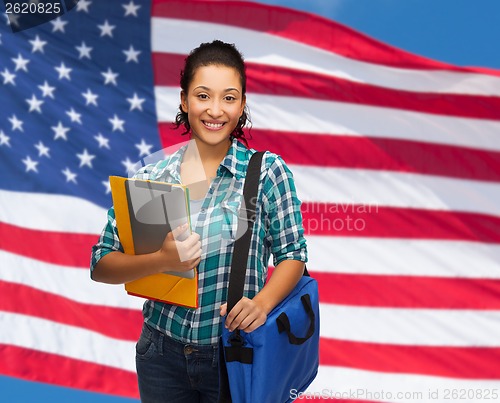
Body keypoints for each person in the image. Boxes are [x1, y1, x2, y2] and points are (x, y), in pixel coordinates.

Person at [90, 40, 307, 403]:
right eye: (203, 95)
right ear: (184, 101)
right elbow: (101, 264)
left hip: (233, 352)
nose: (215, 110)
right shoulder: (151, 178)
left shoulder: (267, 172)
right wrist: (161, 259)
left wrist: (261, 304)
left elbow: (293, 255)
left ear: (242, 105)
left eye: (229, 97)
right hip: (160, 353)